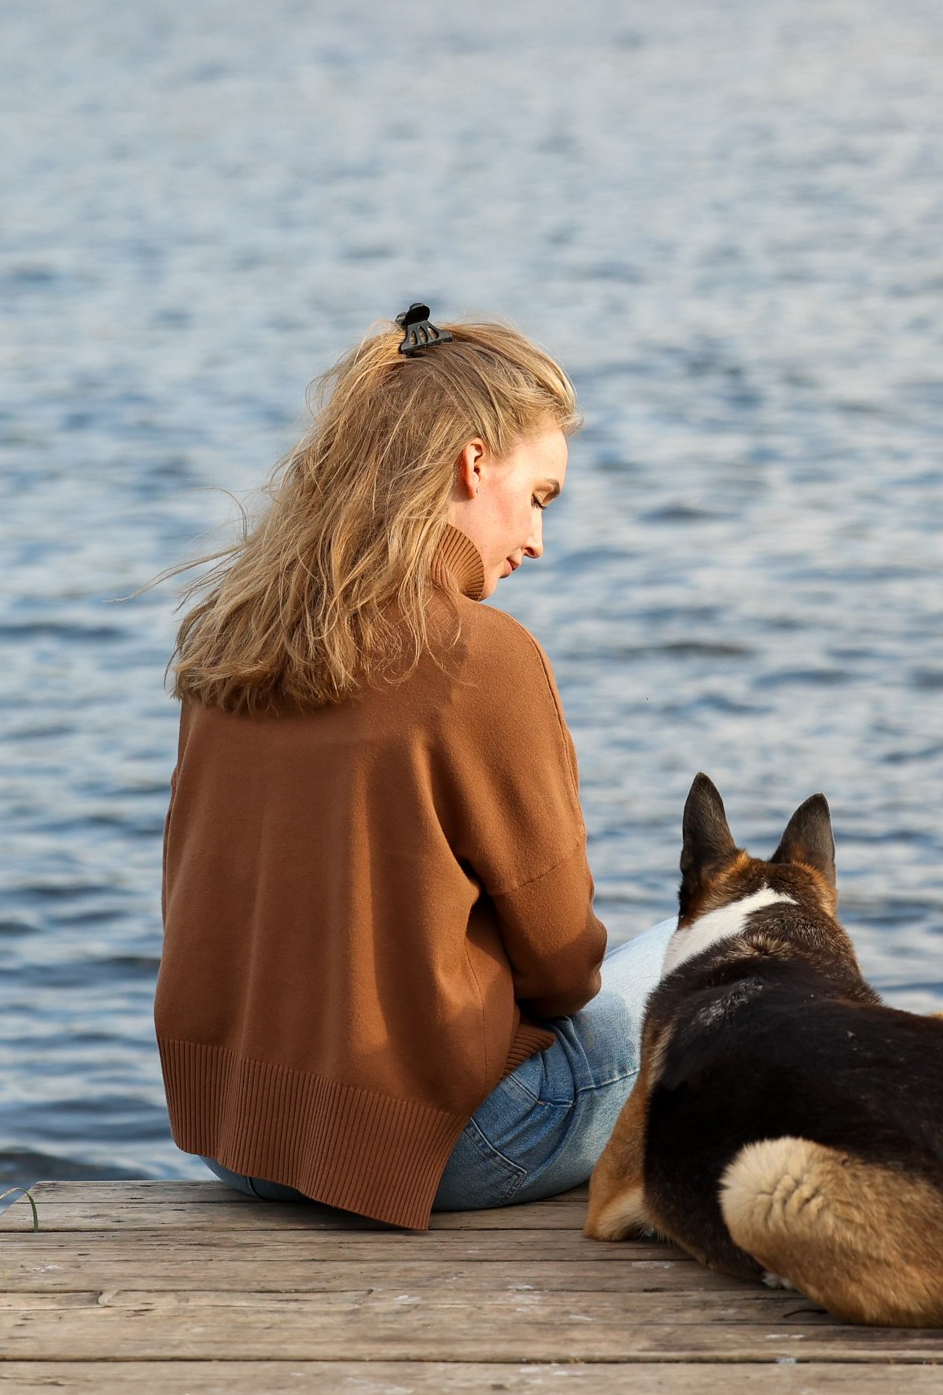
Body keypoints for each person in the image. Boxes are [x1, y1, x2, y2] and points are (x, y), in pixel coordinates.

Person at [154, 306, 674, 1229]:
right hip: (447, 1148)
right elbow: (563, 971)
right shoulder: (483, 657)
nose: (537, 544)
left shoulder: (231, 634)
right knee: (753, 939)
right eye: (540, 497)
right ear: (475, 464)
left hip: (242, 1142)